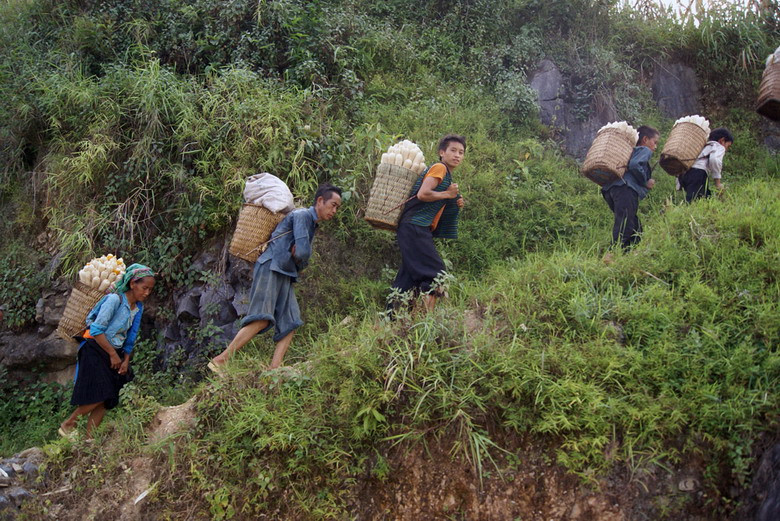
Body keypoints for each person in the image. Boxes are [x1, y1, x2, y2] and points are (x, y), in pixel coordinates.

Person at [209, 183, 342, 374]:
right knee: (261, 318)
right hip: (271, 267)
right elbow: (303, 253)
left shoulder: (311, 223)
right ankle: (221, 359)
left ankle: (275, 368)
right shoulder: (302, 216)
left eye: (337, 207)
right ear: (320, 201)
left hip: (285, 272)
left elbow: (302, 256)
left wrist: (299, 257)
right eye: (333, 205)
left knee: (291, 321)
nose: (335, 210)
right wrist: (299, 257)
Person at [59, 264, 155, 439]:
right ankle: (68, 424)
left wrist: (125, 359)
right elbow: (96, 330)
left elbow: (131, 336)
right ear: (133, 284)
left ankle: (89, 440)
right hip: (95, 349)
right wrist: (112, 354)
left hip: (115, 352)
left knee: (106, 399)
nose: (147, 293)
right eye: (144, 288)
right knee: (102, 393)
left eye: (150, 289)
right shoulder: (114, 300)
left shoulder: (138, 308)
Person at [388, 134, 466, 314]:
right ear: (441, 152)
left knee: (406, 280)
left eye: (461, 152)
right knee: (436, 274)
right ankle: (427, 321)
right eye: (453, 150)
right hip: (415, 227)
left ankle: (391, 320)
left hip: (413, 228)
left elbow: (433, 205)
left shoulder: (446, 176)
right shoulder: (440, 168)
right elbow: (424, 194)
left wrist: (454, 201)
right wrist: (447, 195)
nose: (457, 155)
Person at [601, 125, 659, 252]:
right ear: (645, 139)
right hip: (625, 189)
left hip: (610, 190)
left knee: (635, 228)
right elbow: (634, 165)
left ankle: (629, 256)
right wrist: (645, 181)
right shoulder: (643, 150)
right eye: (655, 142)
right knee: (625, 225)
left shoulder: (629, 152)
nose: (655, 147)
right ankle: (611, 256)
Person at [679, 127, 734, 203]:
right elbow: (714, 160)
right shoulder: (718, 146)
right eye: (728, 146)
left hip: (684, 174)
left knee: (706, 198)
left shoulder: (704, 146)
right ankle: (667, 211)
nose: (726, 149)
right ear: (722, 140)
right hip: (697, 173)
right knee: (692, 201)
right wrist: (717, 182)